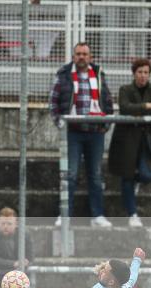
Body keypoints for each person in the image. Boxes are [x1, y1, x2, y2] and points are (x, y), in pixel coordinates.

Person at [49, 42, 115, 227]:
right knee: (69, 174)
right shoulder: (63, 76)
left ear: (90, 57)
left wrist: (106, 124)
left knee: (95, 174)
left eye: (85, 54)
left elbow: (108, 102)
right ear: (73, 56)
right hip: (72, 133)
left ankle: (97, 215)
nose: (81, 57)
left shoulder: (99, 75)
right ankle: (65, 214)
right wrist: (60, 124)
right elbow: (53, 103)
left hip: (95, 133)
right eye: (78, 54)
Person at [108, 58, 151, 228]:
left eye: (146, 72)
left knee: (149, 173)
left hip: (148, 138)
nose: (142, 76)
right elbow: (125, 108)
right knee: (127, 176)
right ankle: (132, 213)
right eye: (140, 72)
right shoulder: (125, 89)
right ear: (134, 73)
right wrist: (146, 106)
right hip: (127, 139)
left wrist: (139, 109)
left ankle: (137, 182)